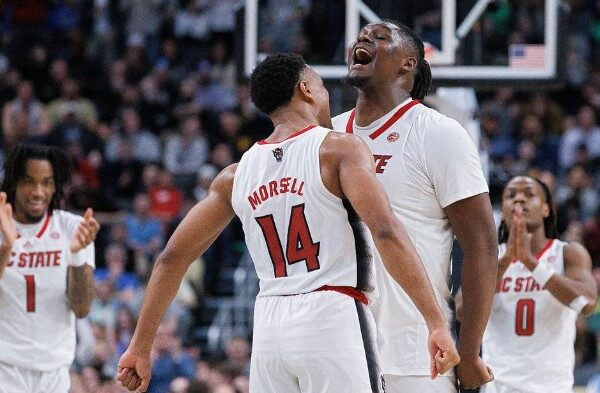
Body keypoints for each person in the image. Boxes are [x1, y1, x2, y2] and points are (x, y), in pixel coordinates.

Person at [117, 53, 459, 392]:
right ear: (306, 88)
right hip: (332, 313)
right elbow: (385, 231)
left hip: (269, 327)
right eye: (322, 86)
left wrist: (139, 346)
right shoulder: (339, 151)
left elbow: (171, 258)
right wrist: (435, 321)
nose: (325, 96)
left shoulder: (234, 176)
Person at [331, 21, 498, 392]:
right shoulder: (326, 137)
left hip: (415, 353)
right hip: (335, 347)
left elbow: (482, 247)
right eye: (360, 35)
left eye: (379, 37)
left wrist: (469, 352)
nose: (362, 39)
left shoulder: (439, 132)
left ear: (407, 64)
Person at [481, 176, 597, 393]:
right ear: (502, 209)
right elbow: (461, 310)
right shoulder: (491, 259)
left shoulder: (567, 253)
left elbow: (588, 303)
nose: (519, 200)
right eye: (511, 195)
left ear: (546, 209)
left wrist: (531, 264)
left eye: (529, 194)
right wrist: (506, 261)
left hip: (551, 387)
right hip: (498, 386)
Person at [0, 144, 100, 393]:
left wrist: (76, 255)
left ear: (56, 186)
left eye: (46, 182)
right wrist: (7, 247)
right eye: (28, 181)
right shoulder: (2, 227)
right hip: (5, 365)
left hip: (55, 369)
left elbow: (82, 308)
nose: (38, 191)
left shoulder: (73, 228)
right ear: (13, 183)